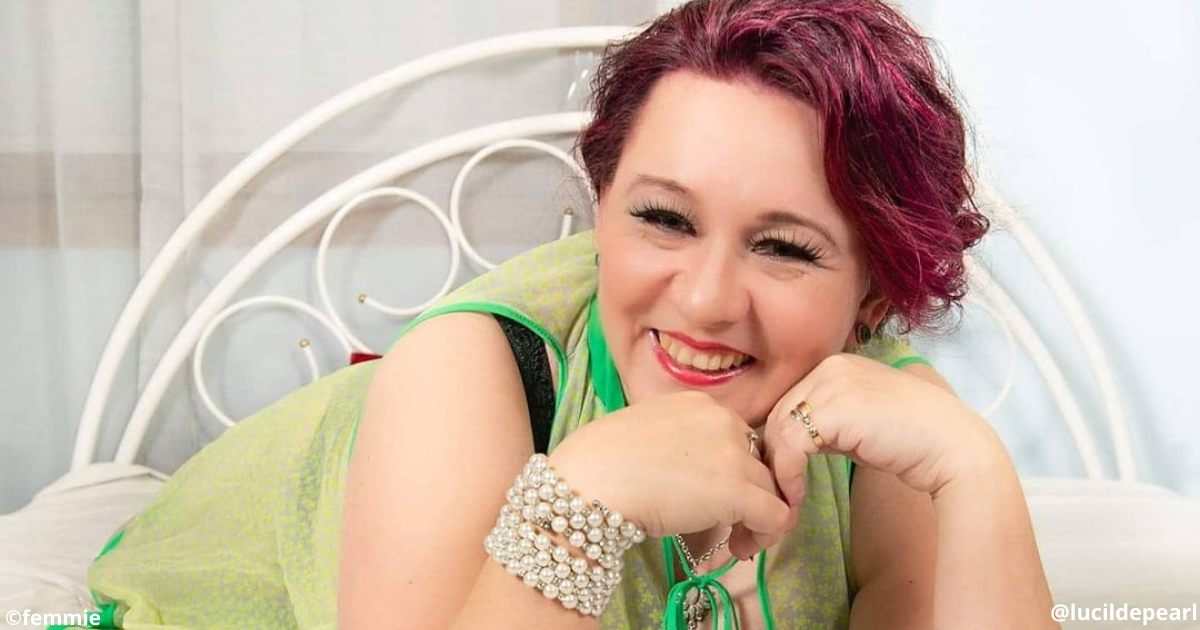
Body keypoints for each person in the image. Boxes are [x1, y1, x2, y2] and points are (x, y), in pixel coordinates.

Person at [81, 0, 1059, 629]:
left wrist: (977, 475)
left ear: (875, 295)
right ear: (601, 206)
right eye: (663, 219)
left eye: (785, 248)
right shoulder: (470, 372)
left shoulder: (883, 417)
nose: (705, 299)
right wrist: (581, 504)